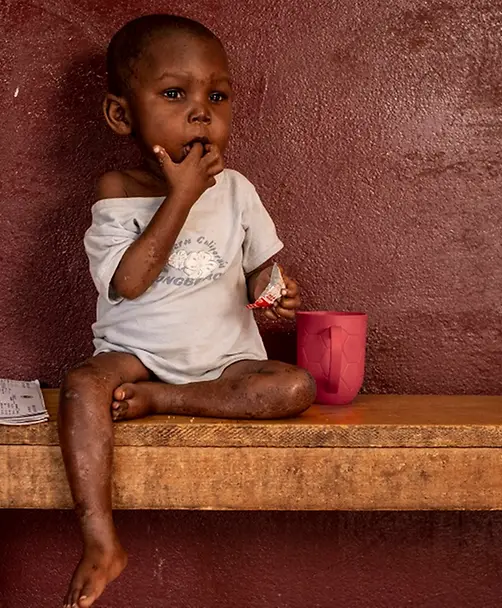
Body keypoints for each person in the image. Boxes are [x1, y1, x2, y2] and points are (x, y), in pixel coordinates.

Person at [58, 14, 316, 608]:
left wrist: (274, 288)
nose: (201, 112)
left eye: (216, 95)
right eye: (175, 94)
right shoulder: (118, 190)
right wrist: (181, 195)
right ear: (122, 115)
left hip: (226, 362)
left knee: (293, 386)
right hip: (135, 358)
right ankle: (101, 542)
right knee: (82, 385)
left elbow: (259, 269)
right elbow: (129, 281)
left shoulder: (239, 191)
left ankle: (165, 401)